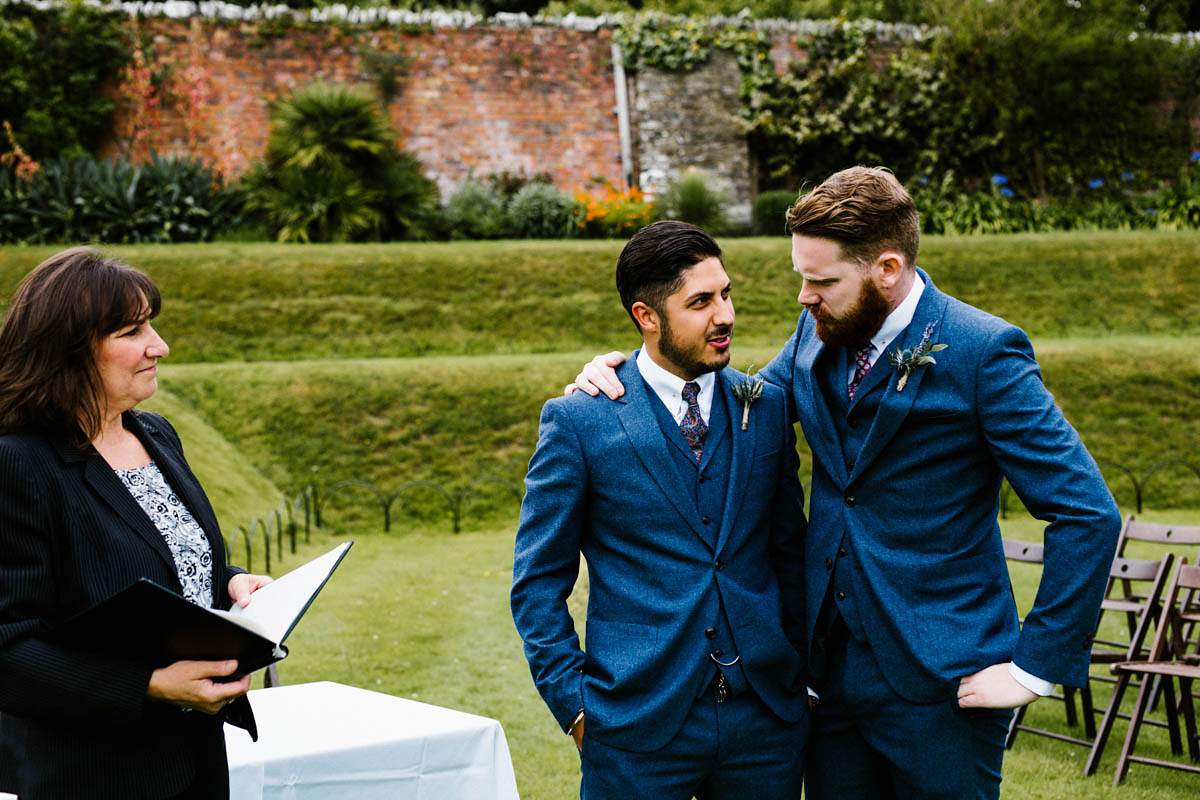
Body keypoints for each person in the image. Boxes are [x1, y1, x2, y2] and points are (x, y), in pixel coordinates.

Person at [569, 167, 1122, 799]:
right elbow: (745, 398)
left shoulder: (983, 353)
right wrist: (626, 383)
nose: (803, 296)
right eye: (802, 277)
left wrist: (1034, 669)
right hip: (827, 683)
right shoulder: (820, 328)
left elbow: (1087, 513)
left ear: (886, 269)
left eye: (820, 280)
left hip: (943, 683)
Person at [511, 221, 811, 799]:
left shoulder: (765, 407)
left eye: (725, 293)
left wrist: (796, 674)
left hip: (765, 725)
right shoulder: (580, 420)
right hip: (633, 725)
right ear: (647, 317)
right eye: (700, 302)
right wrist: (576, 708)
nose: (724, 315)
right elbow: (537, 583)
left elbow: (788, 551)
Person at [0, 247, 273, 799]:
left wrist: (229, 581)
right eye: (131, 331)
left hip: (195, 758)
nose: (159, 347)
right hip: (95, 775)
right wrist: (149, 685)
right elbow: (7, 649)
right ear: (67, 351)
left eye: (152, 325)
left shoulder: (155, 434)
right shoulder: (19, 463)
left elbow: (162, 556)